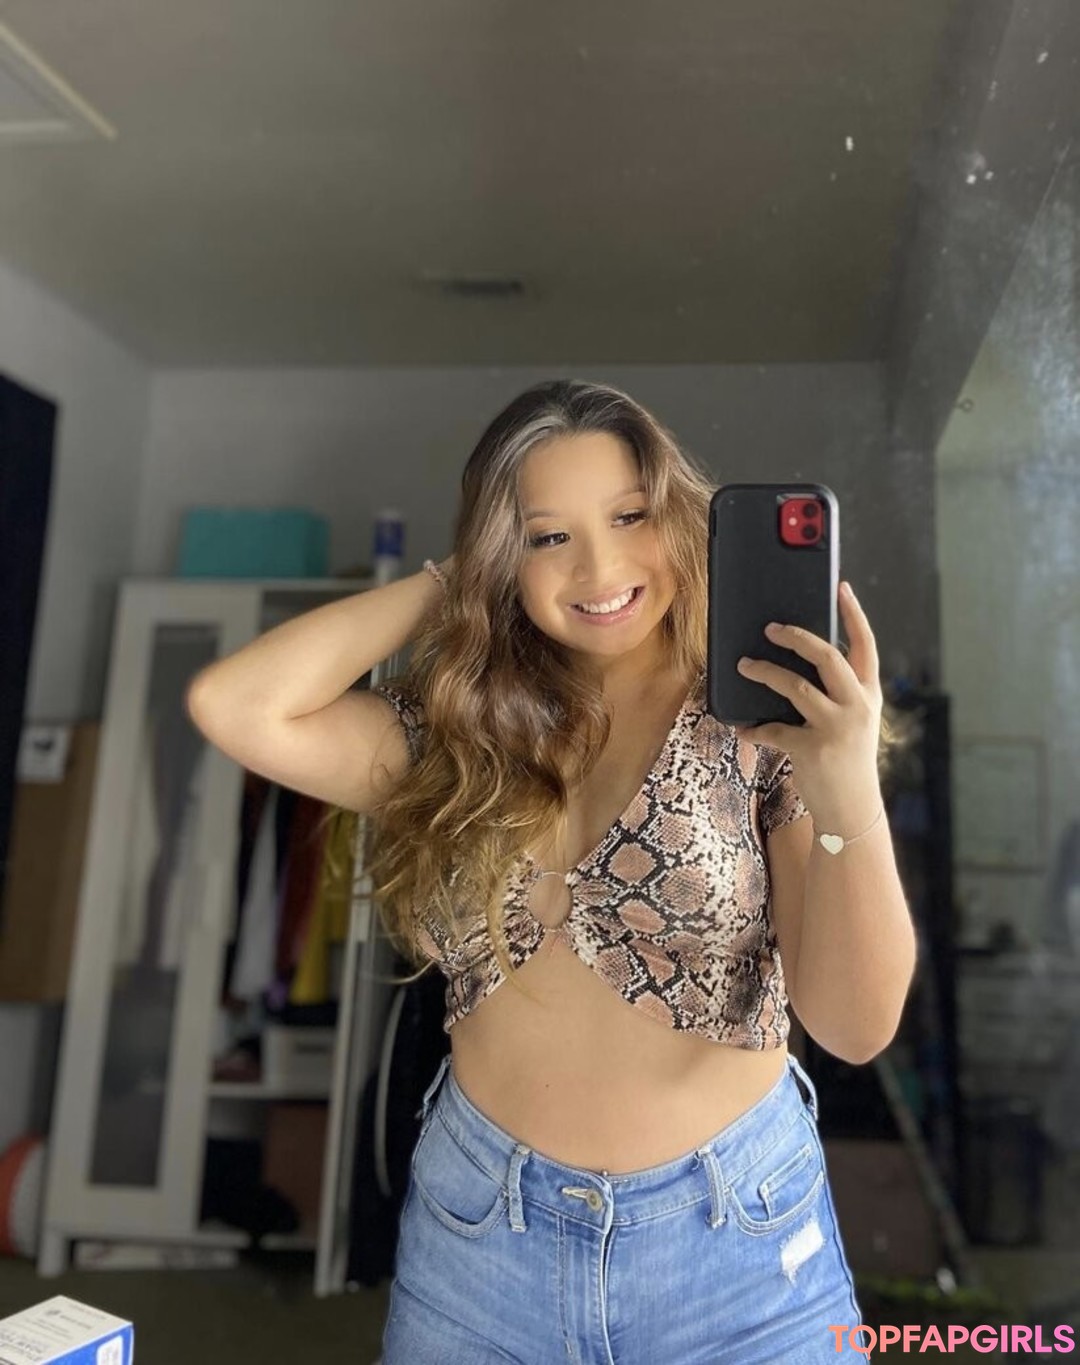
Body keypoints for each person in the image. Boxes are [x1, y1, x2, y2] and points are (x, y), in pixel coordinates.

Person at [187, 379, 916, 1363]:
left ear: (678, 517)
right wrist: (453, 585)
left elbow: (857, 1026)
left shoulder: (762, 718)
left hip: (736, 1251)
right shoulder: (457, 728)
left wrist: (847, 787)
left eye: (630, 516)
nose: (599, 566)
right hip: (480, 1241)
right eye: (548, 536)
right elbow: (236, 706)